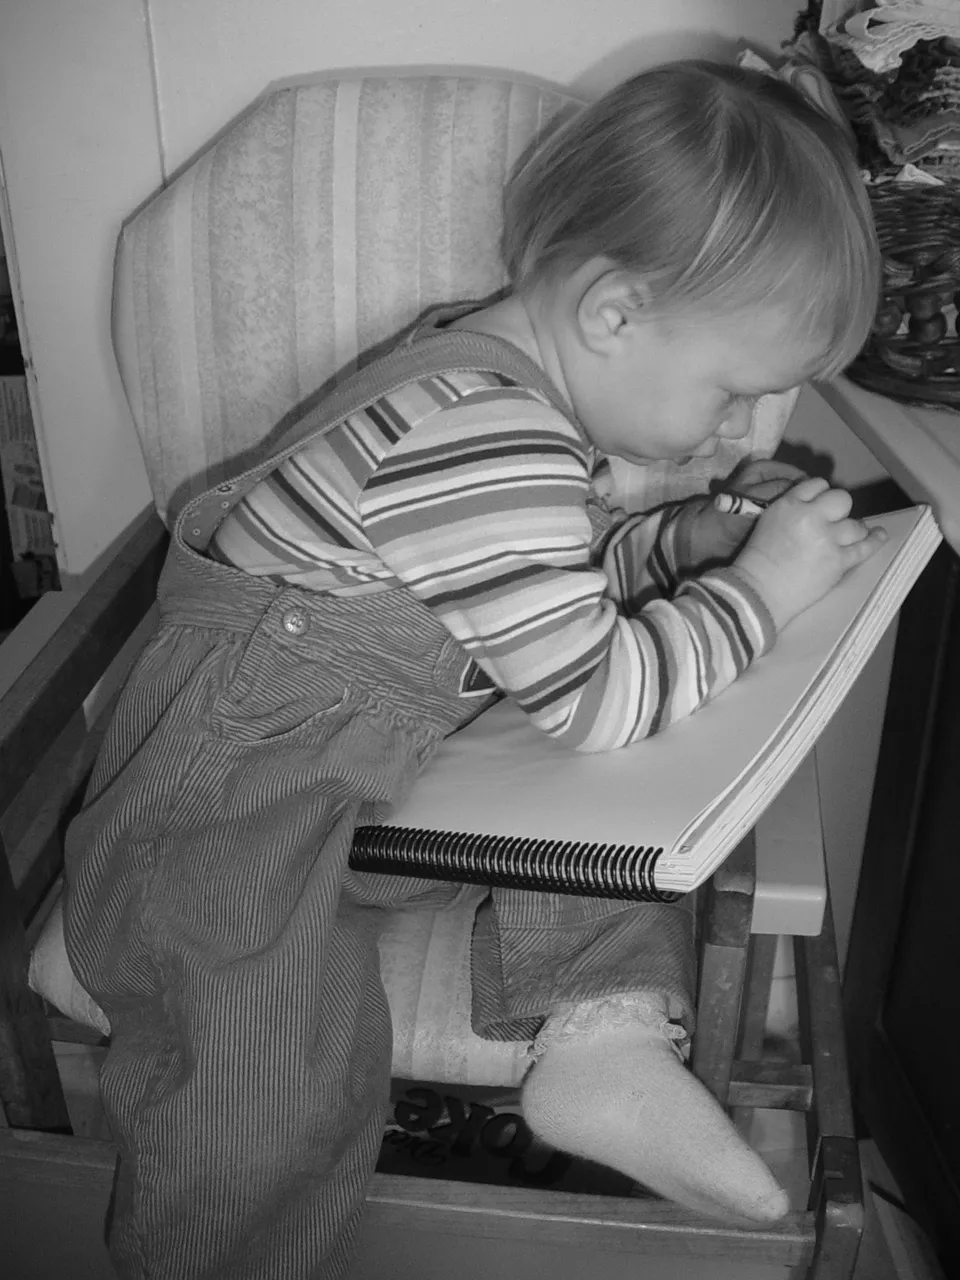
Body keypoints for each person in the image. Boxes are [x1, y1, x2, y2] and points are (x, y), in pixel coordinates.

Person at [64, 58, 883, 1280]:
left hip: (368, 784)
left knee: (599, 815)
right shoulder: (480, 430)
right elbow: (597, 691)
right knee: (267, 1087)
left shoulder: (506, 395)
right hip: (223, 818)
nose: (740, 433)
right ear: (615, 312)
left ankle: (603, 1044)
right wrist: (759, 592)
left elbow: (537, 589)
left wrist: (679, 546)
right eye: (736, 393)